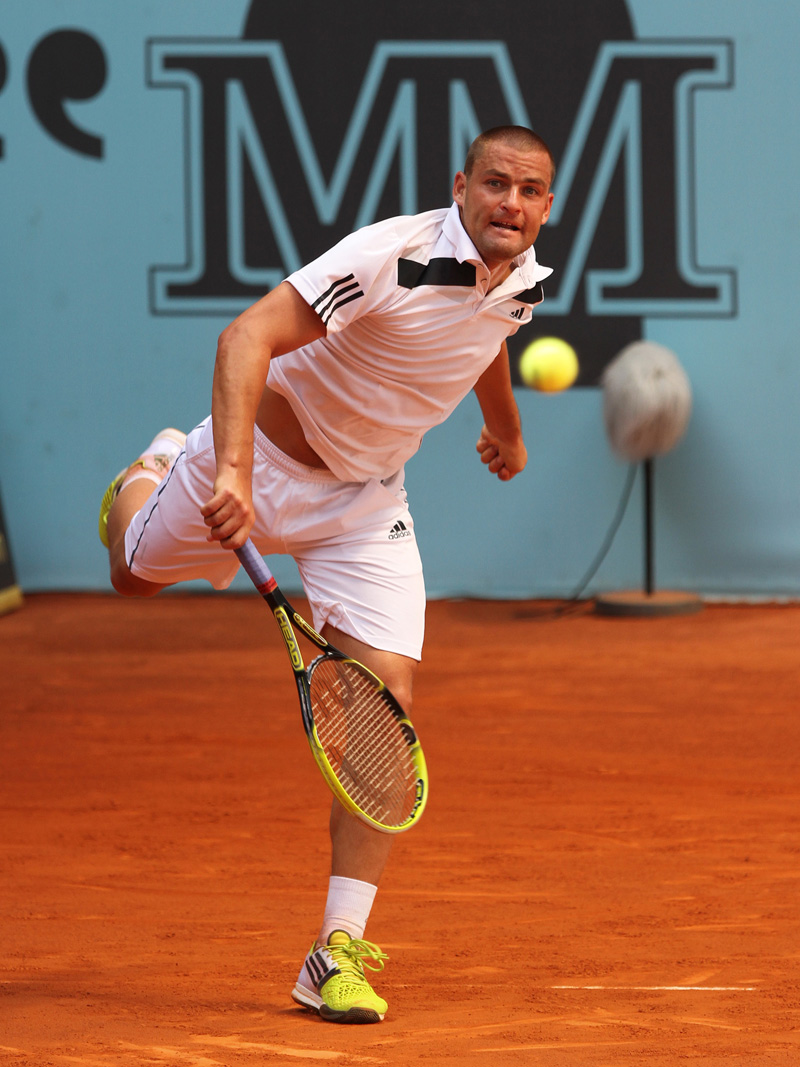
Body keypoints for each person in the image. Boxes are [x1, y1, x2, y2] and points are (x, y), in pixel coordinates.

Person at [99, 125, 555, 1024]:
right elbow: (246, 335)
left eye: (529, 190)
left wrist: (504, 429)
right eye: (495, 183)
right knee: (133, 574)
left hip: (365, 504)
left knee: (386, 714)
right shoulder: (390, 256)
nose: (511, 203)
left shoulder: (524, 282)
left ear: (548, 205)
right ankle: (151, 470)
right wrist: (231, 471)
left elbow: (486, 337)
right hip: (259, 462)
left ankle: (334, 950)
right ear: (460, 186)